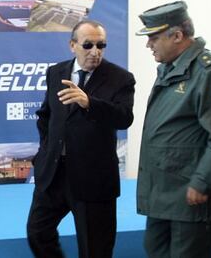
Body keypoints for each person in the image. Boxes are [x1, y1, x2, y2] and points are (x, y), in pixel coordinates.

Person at [135, 0, 211, 258]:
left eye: (153, 37)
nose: (148, 44)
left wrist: (201, 181)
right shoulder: (171, 69)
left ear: (176, 35)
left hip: (194, 200)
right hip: (165, 198)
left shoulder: (210, 72)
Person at [27, 20, 135, 258]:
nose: (95, 52)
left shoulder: (121, 78)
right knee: (37, 233)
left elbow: (124, 118)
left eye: (101, 45)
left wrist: (89, 103)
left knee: (95, 249)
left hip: (93, 178)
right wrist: (44, 152)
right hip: (54, 174)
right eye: (88, 45)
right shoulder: (56, 72)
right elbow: (46, 116)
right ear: (72, 45)